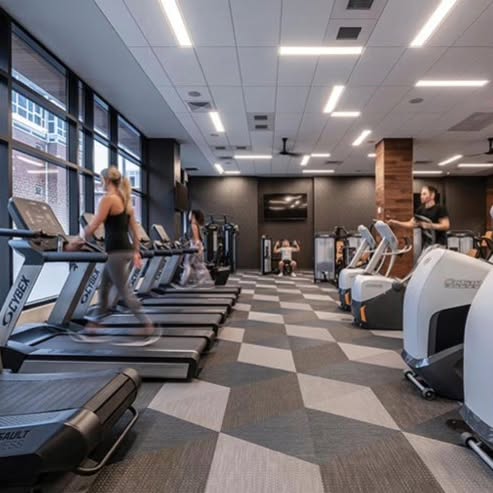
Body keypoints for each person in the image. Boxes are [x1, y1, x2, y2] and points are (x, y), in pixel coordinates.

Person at [69, 166, 156, 342]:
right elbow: (135, 232)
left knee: (124, 291)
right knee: (104, 287)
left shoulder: (108, 199)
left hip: (116, 252)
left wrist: (76, 241)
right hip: (124, 251)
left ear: (107, 180)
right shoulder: (126, 202)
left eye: (101, 179)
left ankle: (147, 324)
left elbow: (95, 224)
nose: (100, 182)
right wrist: (136, 252)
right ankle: (94, 325)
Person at [180, 209, 211, 286]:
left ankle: (184, 281)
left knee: (188, 264)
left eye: (190, 214)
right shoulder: (197, 225)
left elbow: (196, 239)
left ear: (193, 215)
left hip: (195, 247)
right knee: (197, 265)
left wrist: (198, 249)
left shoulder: (193, 225)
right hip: (197, 246)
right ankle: (197, 281)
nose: (189, 215)